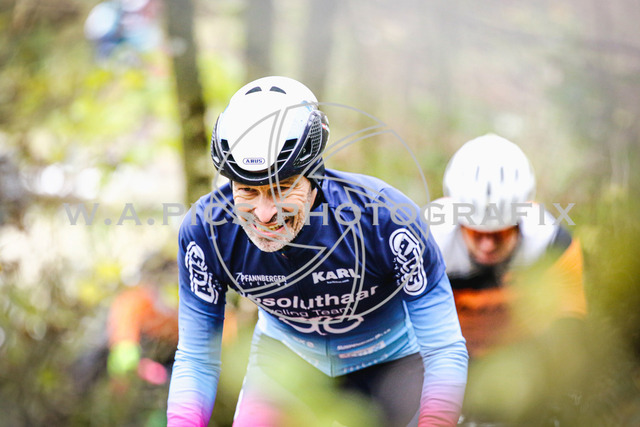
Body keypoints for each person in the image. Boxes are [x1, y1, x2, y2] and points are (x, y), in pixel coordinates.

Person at [166, 76, 468, 426]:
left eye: (282, 188)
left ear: (314, 176)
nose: (264, 214)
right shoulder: (207, 232)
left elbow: (444, 348)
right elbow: (197, 358)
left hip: (392, 370)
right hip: (285, 367)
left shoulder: (386, 220)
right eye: (247, 191)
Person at [427, 134, 587, 359]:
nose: (487, 245)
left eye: (499, 233)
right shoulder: (426, 243)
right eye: (476, 232)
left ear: (520, 220)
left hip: (521, 360)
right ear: (458, 220)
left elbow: (570, 326)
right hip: (445, 356)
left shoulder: (551, 245)